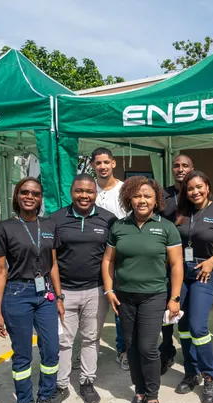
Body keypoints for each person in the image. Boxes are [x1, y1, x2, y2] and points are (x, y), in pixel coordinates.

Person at [102, 176, 183, 403]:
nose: (142, 200)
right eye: (137, 195)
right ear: (129, 198)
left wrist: (175, 297)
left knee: (148, 347)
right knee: (131, 346)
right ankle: (138, 391)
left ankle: (153, 395)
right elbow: (108, 260)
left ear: (156, 198)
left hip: (154, 296)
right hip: (125, 297)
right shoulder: (119, 226)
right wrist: (109, 290)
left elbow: (177, 263)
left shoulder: (166, 227)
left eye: (147, 195)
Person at [0, 177, 65, 403]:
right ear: (17, 195)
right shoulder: (5, 228)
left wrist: (59, 296)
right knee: (22, 354)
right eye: (25, 192)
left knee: (51, 350)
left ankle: (45, 399)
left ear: (40, 197)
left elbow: (53, 263)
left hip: (45, 293)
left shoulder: (48, 225)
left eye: (35, 192)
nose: (30, 196)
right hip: (17, 293)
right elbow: (0, 271)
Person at [49, 174, 117, 403]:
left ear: (95, 193)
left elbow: (113, 257)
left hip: (96, 291)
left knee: (91, 338)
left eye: (89, 191)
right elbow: (51, 260)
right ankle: (60, 384)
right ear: (72, 192)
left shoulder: (108, 220)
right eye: (79, 191)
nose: (84, 196)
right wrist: (56, 294)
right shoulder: (56, 219)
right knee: (63, 341)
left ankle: (87, 382)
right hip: (65, 291)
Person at [172, 171, 213, 403]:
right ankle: (191, 372)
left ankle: (210, 376)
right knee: (184, 325)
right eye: (190, 189)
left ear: (207, 187)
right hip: (180, 271)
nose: (195, 192)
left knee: (198, 327)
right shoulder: (179, 212)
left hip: (204, 271)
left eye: (199, 187)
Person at [91, 147, 129, 371]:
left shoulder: (124, 190)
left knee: (118, 306)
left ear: (113, 163)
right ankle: (88, 350)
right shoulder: (89, 189)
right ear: (93, 166)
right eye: (98, 163)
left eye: (106, 162)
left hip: (118, 256)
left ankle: (122, 349)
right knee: (92, 306)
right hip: (92, 255)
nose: (103, 166)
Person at [159, 154, 194, 375]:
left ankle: (189, 353)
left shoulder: (196, 192)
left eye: (185, 166)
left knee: (185, 310)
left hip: (190, 261)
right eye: (176, 166)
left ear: (192, 168)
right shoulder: (163, 195)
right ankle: (167, 349)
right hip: (164, 261)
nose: (180, 169)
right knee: (166, 307)